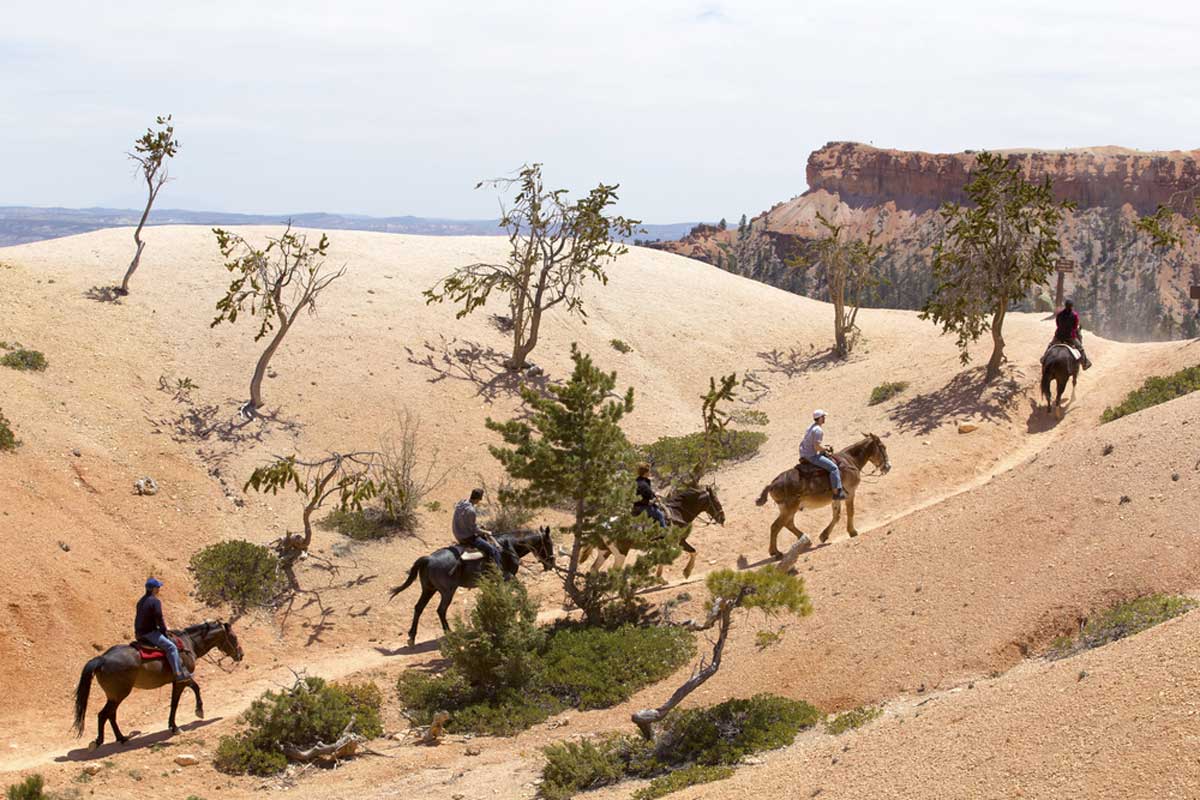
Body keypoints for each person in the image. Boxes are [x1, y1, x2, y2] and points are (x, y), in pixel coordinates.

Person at [134, 577, 192, 683]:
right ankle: (178, 674)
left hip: (139, 633)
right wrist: (164, 631)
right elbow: (159, 618)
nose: (159, 589)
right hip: (150, 633)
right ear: (153, 589)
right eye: (158, 587)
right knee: (172, 647)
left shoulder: (140, 601)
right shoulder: (155, 601)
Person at [452, 488, 507, 576]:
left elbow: (468, 522)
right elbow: (474, 529)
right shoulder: (471, 511)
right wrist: (486, 532)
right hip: (467, 537)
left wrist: (479, 527)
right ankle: (498, 573)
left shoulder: (461, 503)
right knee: (493, 550)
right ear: (478, 499)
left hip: (457, 533)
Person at [799, 410, 848, 500]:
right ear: (820, 418)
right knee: (834, 468)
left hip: (804, 452)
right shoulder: (818, 430)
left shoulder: (811, 427)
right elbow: (817, 447)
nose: (825, 418)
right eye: (823, 417)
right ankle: (837, 493)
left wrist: (823, 448)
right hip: (811, 456)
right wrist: (825, 449)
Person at [1048, 298, 1091, 369]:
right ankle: (1085, 363)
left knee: (1050, 345)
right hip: (1070, 337)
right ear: (1072, 306)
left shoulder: (1060, 314)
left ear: (1065, 306)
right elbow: (1075, 327)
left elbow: (1057, 324)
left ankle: (1043, 358)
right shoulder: (1074, 315)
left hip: (1059, 336)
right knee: (1080, 348)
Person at [632, 463, 668, 528]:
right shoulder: (644, 485)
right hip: (642, 506)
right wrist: (656, 498)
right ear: (645, 473)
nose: (650, 473)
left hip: (636, 505)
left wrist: (654, 494)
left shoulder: (638, 480)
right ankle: (664, 533)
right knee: (660, 515)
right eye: (649, 471)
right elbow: (649, 497)